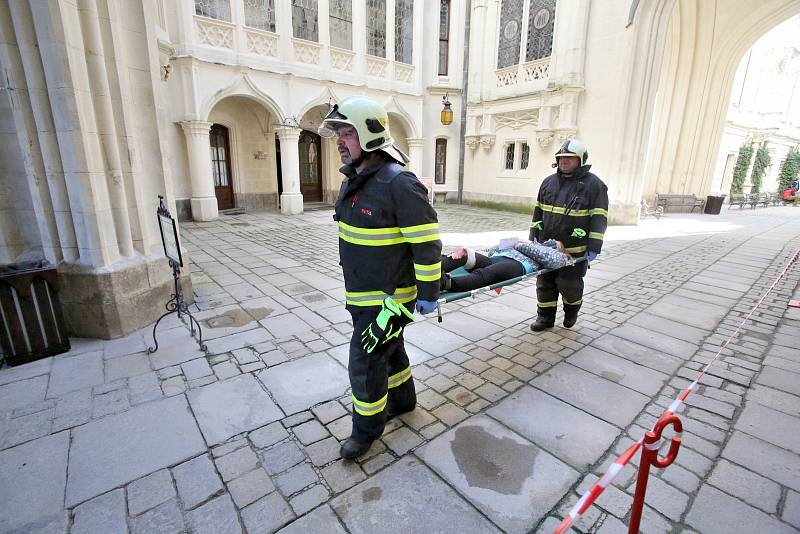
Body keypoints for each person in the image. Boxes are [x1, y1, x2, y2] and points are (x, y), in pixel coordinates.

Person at [320, 96, 442, 459]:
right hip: (362, 295)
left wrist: (428, 293)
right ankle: (403, 401)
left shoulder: (398, 183)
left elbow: (426, 245)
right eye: (338, 133)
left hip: (390, 299)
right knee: (390, 351)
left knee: (366, 360)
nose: (339, 140)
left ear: (370, 134)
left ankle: (366, 431)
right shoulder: (357, 179)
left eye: (347, 132)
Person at [529, 139, 608, 331]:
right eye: (561, 157)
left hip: (575, 251)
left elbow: (599, 218)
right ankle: (545, 318)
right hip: (547, 249)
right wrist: (533, 237)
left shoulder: (594, 185)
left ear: (580, 160)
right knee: (544, 284)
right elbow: (538, 212)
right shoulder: (548, 182)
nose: (563, 161)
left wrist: (594, 247)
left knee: (568, 285)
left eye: (569, 157)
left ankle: (572, 311)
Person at [440, 239, 573, 292]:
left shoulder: (555, 254)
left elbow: (553, 259)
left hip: (517, 264)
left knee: (484, 275)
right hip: (495, 258)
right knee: (465, 254)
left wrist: (520, 244)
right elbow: (493, 250)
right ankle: (430, 267)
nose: (549, 241)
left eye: (552, 243)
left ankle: (442, 283)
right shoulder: (532, 244)